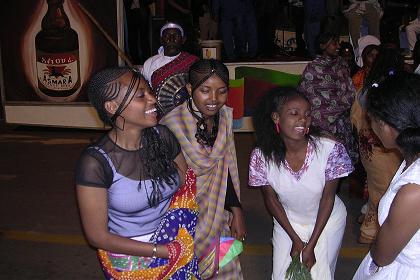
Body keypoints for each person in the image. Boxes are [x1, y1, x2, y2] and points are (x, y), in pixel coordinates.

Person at [75, 67, 200, 279]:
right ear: (112, 107)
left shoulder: (163, 136)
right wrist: (160, 251)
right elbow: (97, 237)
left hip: (175, 243)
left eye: (150, 91)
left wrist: (176, 237)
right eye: (141, 95)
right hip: (130, 262)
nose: (153, 98)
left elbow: (184, 181)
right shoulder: (95, 163)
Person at [249, 87, 353, 279]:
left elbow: (328, 198)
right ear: (276, 117)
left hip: (327, 220)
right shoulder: (261, 156)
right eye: (294, 113)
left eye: (307, 114)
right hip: (288, 221)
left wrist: (311, 245)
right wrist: (295, 239)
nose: (303, 119)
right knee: (281, 275)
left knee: (319, 273)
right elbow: (271, 200)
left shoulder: (329, 150)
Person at [160, 59, 246, 279]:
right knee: (188, 271)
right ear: (190, 89)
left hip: (219, 214)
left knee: (229, 267)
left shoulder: (225, 118)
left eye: (222, 91)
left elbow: (226, 167)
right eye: (205, 91)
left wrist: (236, 210)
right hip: (185, 219)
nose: (214, 99)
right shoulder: (171, 125)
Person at [353, 73, 420, 280]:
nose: (371, 128)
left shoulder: (413, 191)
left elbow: (382, 256)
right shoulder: (411, 158)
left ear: (387, 125)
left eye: (372, 119)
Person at [351, 47, 404, 244]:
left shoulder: (369, 87)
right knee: (384, 189)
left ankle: (368, 218)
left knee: (377, 186)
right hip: (383, 148)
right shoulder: (389, 89)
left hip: (370, 147)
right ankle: (370, 231)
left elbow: (357, 117)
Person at [297, 33, 358, 163]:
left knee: (342, 164)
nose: (337, 47)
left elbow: (350, 90)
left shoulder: (342, 65)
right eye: (333, 43)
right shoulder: (313, 69)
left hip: (341, 123)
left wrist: (339, 107)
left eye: (337, 43)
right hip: (320, 123)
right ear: (322, 46)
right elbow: (305, 94)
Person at [141, 22, 198, 93]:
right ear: (161, 40)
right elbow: (144, 89)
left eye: (176, 36)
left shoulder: (193, 62)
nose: (171, 39)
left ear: (183, 40)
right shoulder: (150, 63)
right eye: (167, 36)